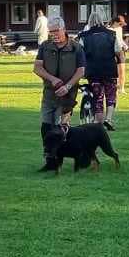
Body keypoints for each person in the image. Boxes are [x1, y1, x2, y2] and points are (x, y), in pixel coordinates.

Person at [31, 16, 84, 166]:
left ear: (63, 29)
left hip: (67, 95)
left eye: (56, 31)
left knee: (60, 128)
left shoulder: (76, 47)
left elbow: (81, 71)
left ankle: (59, 159)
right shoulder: (45, 46)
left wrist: (67, 86)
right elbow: (37, 68)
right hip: (49, 93)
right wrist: (52, 79)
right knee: (46, 126)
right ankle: (49, 160)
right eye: (50, 31)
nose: (53, 34)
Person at [78, 13, 121, 123]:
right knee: (111, 95)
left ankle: (98, 122)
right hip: (109, 69)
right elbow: (117, 51)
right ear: (102, 21)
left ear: (89, 21)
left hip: (93, 71)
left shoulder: (83, 36)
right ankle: (109, 119)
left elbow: (80, 54)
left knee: (97, 97)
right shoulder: (112, 34)